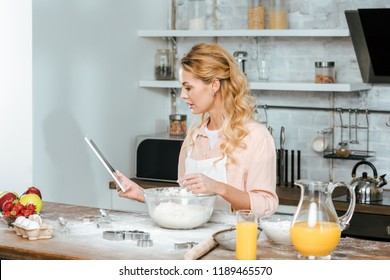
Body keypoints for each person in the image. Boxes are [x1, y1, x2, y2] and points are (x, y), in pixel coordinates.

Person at [115, 43, 278, 217]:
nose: (183, 95)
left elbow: (266, 205)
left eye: (188, 87)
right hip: (192, 239)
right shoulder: (193, 137)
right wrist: (142, 195)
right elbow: (185, 201)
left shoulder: (256, 137)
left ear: (214, 85)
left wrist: (219, 188)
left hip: (233, 239)